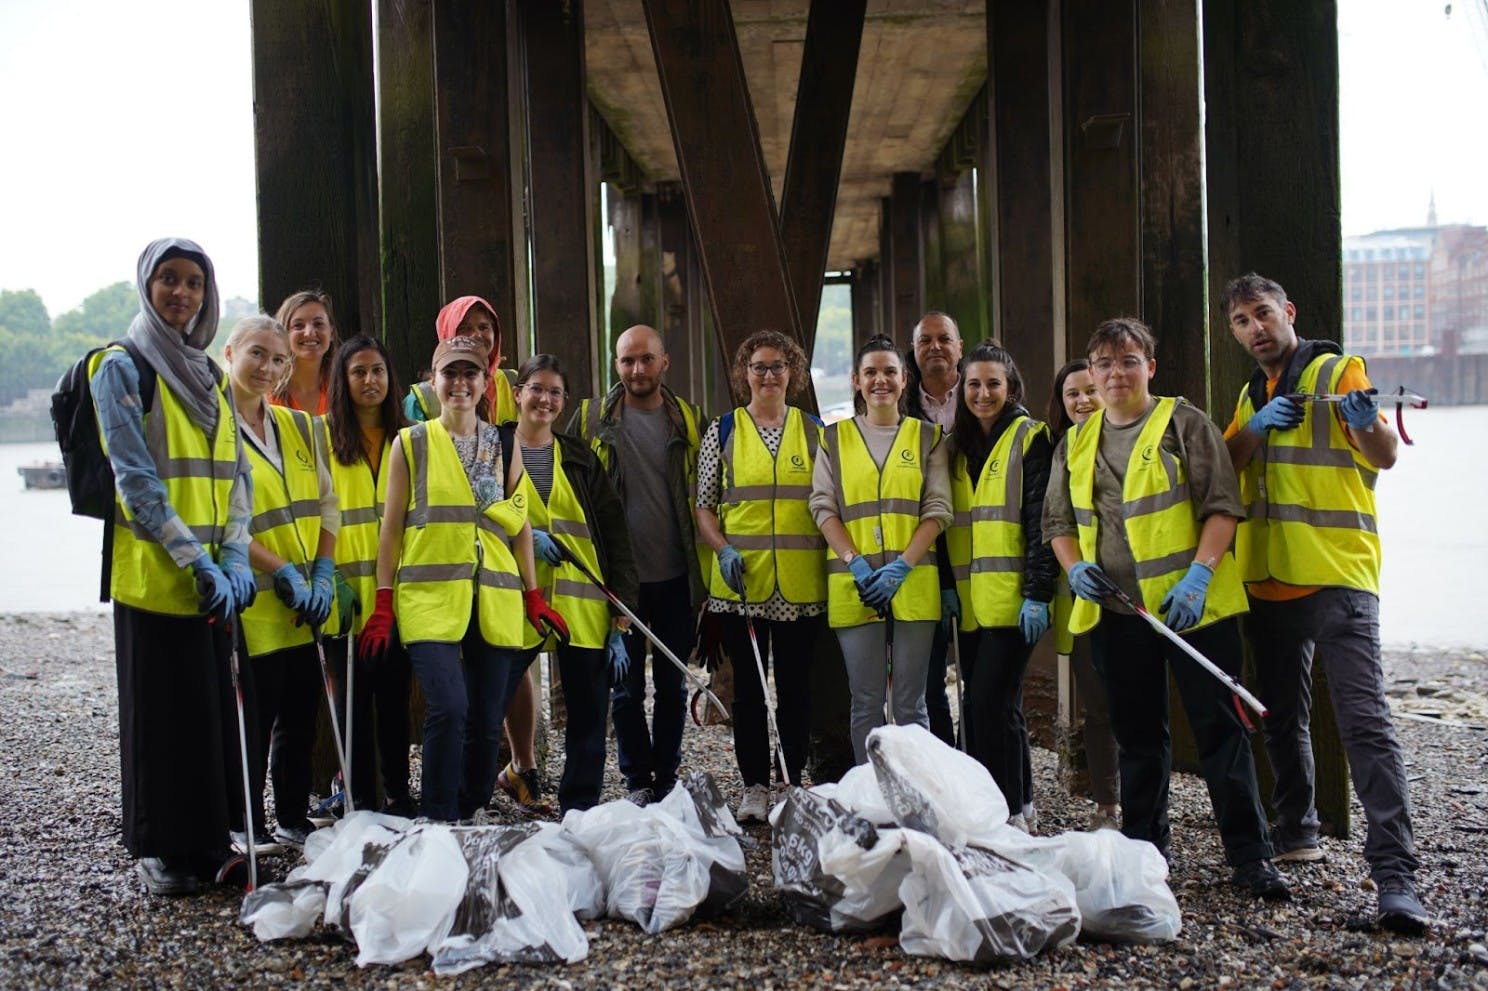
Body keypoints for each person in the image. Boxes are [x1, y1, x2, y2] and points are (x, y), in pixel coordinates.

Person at [1043, 317, 1290, 900]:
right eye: (1103, 364)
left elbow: (1222, 505)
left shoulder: (1184, 424)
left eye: (1128, 361)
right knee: (1138, 737)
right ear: (1092, 373)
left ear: (1149, 367)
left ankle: (1251, 856)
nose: (1115, 373)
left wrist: (1199, 576)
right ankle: (1145, 851)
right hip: (1119, 614)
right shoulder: (1076, 441)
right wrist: (1074, 565)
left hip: (1194, 613)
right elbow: (1058, 522)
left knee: (1220, 731)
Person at [1221, 273, 1426, 933]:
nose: (1256, 328)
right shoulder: (1251, 391)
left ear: (1289, 311)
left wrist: (1366, 425)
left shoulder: (1340, 369)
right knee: (1281, 717)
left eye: (1263, 314)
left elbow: (1384, 455)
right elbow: (1225, 463)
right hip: (1271, 580)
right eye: (1242, 321)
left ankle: (1396, 877)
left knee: (1365, 725)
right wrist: (1254, 425)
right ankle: (1298, 828)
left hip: (1339, 577)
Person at [89, 237, 256, 895]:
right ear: (147, 285)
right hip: (158, 579)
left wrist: (237, 553)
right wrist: (195, 559)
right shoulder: (121, 367)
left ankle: (210, 841)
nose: (181, 293)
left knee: (209, 715)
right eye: (169, 279)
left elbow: (234, 474)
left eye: (193, 282)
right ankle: (162, 850)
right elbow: (136, 483)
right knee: (160, 718)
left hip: (214, 580)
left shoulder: (210, 374)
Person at [364, 336, 567, 822]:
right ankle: (437, 818)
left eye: (469, 373)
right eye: (449, 374)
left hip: (495, 597)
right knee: (449, 707)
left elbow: (519, 524)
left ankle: (470, 809)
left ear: (484, 383)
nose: (459, 383)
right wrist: (384, 600)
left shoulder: (503, 442)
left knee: (484, 718)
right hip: (428, 597)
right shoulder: (410, 443)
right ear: (433, 382)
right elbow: (390, 528)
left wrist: (533, 594)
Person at [569, 324, 706, 805]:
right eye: (627, 361)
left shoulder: (688, 422)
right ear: (616, 364)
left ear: (665, 362)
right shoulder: (589, 421)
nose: (637, 369)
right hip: (618, 581)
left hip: (675, 575)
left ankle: (665, 776)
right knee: (624, 690)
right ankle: (637, 780)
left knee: (671, 684)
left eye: (646, 359)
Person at [695, 330, 827, 823]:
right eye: (759, 367)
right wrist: (723, 549)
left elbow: (829, 504)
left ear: (792, 373)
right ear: (743, 374)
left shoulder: (815, 432)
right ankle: (753, 785)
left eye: (778, 366)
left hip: (800, 585)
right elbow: (704, 507)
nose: (768, 375)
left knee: (795, 690)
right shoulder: (723, 430)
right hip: (741, 587)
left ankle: (790, 782)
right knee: (749, 692)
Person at [224, 315, 341, 850]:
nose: (267, 368)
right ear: (230, 352)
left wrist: (321, 569)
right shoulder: (216, 429)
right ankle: (242, 824)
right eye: (256, 355)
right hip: (253, 600)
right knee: (254, 717)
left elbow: (328, 504)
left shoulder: (299, 427)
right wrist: (282, 569)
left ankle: (291, 817)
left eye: (277, 360)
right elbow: (225, 521)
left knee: (301, 715)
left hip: (304, 601)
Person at [504, 354, 638, 813]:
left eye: (555, 392)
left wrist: (621, 611)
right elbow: (474, 518)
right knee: (490, 699)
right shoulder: (494, 449)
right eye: (536, 388)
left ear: (563, 402)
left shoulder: (580, 458)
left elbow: (615, 534)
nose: (544, 399)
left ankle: (579, 808)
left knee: (587, 713)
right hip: (516, 599)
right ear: (517, 393)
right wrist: (519, 535)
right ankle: (470, 798)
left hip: (582, 605)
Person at [810, 335, 952, 764]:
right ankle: (870, 796)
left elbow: (939, 508)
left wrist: (902, 567)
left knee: (912, 705)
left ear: (904, 379)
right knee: (866, 703)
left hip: (913, 583)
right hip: (855, 586)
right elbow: (822, 506)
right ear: (856, 380)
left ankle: (916, 795)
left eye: (889, 371)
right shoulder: (833, 439)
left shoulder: (928, 437)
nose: (880, 381)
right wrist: (856, 564)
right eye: (870, 372)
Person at [944, 342, 1056, 832]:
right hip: (971, 604)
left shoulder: (1030, 438)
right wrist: (947, 585)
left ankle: (1004, 812)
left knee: (985, 706)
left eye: (993, 383)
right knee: (998, 706)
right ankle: (1023, 803)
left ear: (1011, 387)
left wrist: (1038, 592)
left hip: (1014, 602)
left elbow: (1040, 522)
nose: (983, 393)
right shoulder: (957, 446)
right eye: (973, 384)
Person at [320, 333, 415, 818]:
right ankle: (358, 799)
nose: (369, 380)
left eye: (377, 370)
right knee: (351, 705)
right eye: (358, 371)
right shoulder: (325, 437)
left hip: (400, 594)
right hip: (346, 596)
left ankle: (399, 795)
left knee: (396, 701)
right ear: (343, 379)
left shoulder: (412, 437)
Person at [1046, 358, 1122, 832]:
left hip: (1135, 593)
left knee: (1133, 703)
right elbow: (1054, 522)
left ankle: (1146, 805)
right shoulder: (1063, 450)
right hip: (1082, 597)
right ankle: (1107, 806)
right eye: (1071, 394)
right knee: (1097, 706)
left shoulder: (1135, 441)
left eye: (1089, 391)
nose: (1081, 401)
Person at [903, 312, 965, 746]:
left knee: (983, 687)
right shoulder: (898, 401)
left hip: (980, 552)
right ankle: (945, 769)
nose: (936, 347)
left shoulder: (983, 393)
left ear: (960, 347)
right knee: (926, 686)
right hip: (920, 556)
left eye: (945, 338)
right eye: (925, 340)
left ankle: (990, 781)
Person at [402, 295, 518, 426]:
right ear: (447, 335)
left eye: (484, 327)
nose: (477, 335)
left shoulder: (515, 382)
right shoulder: (422, 400)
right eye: (464, 328)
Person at [272, 290, 338, 415]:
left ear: (332, 333)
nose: (309, 333)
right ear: (283, 335)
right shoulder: (265, 391)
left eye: (318, 324)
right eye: (298, 326)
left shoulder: (344, 389)